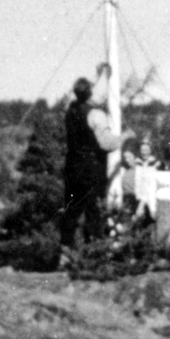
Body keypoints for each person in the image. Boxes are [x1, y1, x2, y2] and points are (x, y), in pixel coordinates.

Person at [61, 66, 133, 249]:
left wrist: (104, 75)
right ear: (90, 92)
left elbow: (93, 96)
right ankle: (96, 252)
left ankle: (65, 250)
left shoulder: (70, 109)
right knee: (94, 210)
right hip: (92, 169)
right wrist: (125, 136)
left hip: (72, 167)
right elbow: (107, 144)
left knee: (71, 210)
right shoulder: (96, 114)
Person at [133, 135, 158, 225]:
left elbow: (152, 184)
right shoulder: (136, 163)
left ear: (150, 150)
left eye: (147, 150)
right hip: (138, 197)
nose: (144, 153)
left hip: (151, 198)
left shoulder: (155, 163)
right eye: (142, 150)